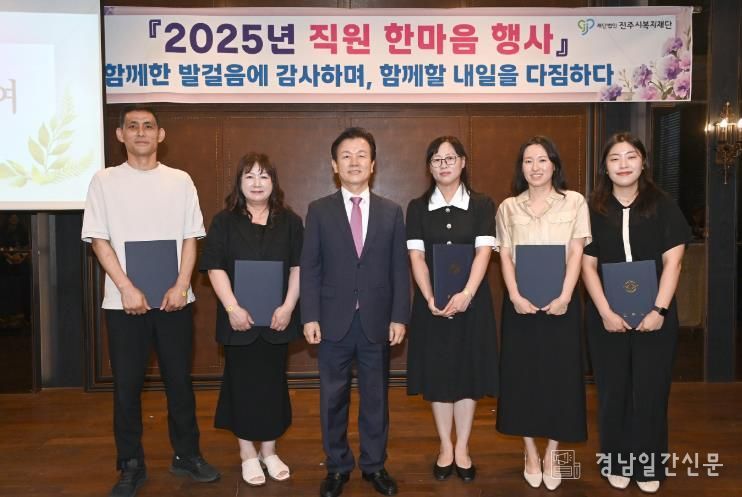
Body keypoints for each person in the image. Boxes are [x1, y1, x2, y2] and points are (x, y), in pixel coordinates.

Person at [81, 105, 219, 497]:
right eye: (132, 126)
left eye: (148, 126)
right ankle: (130, 465)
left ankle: (187, 455)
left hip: (174, 300)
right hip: (123, 304)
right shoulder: (103, 181)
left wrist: (182, 285)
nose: (141, 132)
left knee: (179, 382)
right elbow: (98, 239)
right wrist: (126, 287)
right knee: (126, 387)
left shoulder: (180, 180)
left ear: (160, 135)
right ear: (120, 135)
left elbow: (191, 237)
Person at [300, 127, 410, 497]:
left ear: (373, 164)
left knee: (376, 399)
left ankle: (374, 465)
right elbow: (310, 267)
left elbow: (399, 269)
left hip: (376, 321)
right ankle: (337, 466)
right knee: (332, 399)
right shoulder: (319, 210)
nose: (354, 162)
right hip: (332, 321)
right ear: (334, 165)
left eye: (362, 155)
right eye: (346, 155)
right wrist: (310, 316)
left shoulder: (391, 212)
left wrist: (399, 316)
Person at [581, 132, 690, 493]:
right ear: (605, 167)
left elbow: (674, 262)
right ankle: (616, 461)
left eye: (631, 156)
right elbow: (587, 265)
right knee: (613, 391)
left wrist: (659, 309)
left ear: (643, 162)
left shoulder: (663, 204)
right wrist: (604, 312)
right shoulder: (593, 209)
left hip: (655, 315)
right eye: (615, 158)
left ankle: (648, 464)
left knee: (651, 390)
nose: (623, 164)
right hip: (606, 316)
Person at [200, 152, 302, 487]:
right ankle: (247, 453)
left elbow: (299, 267)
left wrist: (288, 306)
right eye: (249, 176)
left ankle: (269, 452)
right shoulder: (223, 221)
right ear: (239, 183)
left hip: (277, 320)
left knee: (273, 384)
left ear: (274, 182)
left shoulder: (290, 221)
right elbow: (214, 267)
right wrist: (232, 308)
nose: (257, 183)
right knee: (241, 385)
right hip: (238, 321)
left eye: (264, 176)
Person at [495, 135, 591, 491]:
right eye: (528, 161)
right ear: (521, 168)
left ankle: (552, 451)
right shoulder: (508, 207)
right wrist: (514, 296)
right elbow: (505, 255)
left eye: (542, 160)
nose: (535, 167)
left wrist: (566, 296)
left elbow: (576, 252)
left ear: (554, 165)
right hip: (519, 305)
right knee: (521, 377)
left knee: (559, 377)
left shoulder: (574, 202)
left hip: (561, 304)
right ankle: (530, 452)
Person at [405, 136, 498, 482]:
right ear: (429, 167)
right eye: (436, 159)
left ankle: (463, 447)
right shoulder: (417, 207)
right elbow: (416, 257)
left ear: (462, 162)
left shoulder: (482, 204)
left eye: (450, 158)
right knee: (440, 375)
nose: (443, 165)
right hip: (433, 305)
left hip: (471, 304)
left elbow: (483, 252)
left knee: (467, 374)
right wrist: (430, 298)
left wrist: (467, 294)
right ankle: (446, 445)